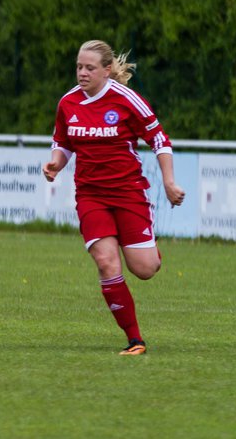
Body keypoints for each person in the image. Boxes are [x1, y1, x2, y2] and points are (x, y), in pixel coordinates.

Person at [42, 39, 185, 355]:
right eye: (79, 66)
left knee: (145, 269)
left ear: (107, 70)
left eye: (90, 68)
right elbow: (62, 143)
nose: (82, 73)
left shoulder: (127, 100)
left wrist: (170, 182)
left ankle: (148, 248)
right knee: (107, 263)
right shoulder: (68, 103)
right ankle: (135, 340)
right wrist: (56, 163)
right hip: (91, 196)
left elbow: (159, 139)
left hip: (128, 193)